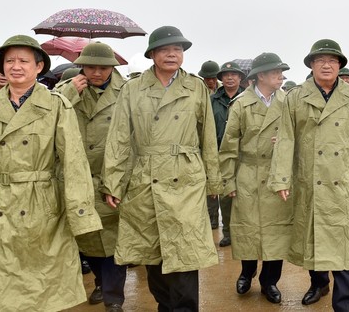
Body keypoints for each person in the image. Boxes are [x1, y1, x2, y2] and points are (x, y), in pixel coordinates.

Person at [0, 35, 102, 311]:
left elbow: (74, 164)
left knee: (37, 291)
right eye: (10, 61)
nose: (16, 67)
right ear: (1, 66)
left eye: (24, 61)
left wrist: (81, 215)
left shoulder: (56, 106)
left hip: (40, 206)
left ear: (39, 67)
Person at [102, 26, 221, 311]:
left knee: (185, 252)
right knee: (152, 252)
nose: (172, 54)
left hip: (186, 177)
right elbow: (119, 137)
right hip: (146, 176)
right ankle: (165, 306)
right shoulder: (133, 89)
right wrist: (113, 183)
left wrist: (213, 182)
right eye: (165, 49)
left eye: (177, 49)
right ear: (152, 54)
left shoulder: (195, 88)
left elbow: (207, 137)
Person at [269, 39, 349, 311]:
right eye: (320, 60)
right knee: (314, 236)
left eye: (332, 60)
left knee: (344, 241)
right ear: (312, 65)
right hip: (309, 177)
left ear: (339, 66)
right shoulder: (296, 96)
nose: (326, 65)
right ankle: (318, 284)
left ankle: (344, 303)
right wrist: (282, 178)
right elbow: (286, 139)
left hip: (342, 177)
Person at [55, 43, 127, 312]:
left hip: (113, 175)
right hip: (78, 177)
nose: (97, 72)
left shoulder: (126, 91)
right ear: (81, 66)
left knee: (114, 240)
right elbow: (50, 111)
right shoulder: (67, 90)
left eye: (103, 67)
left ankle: (114, 298)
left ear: (113, 67)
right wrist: (70, 91)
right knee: (86, 238)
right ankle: (100, 281)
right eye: (91, 66)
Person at [219, 52, 293, 304]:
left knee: (277, 232)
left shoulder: (288, 102)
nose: (281, 77)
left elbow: (298, 135)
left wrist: (284, 141)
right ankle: (247, 272)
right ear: (261, 76)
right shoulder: (241, 104)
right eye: (276, 72)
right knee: (247, 229)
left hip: (278, 175)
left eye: (281, 72)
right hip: (248, 173)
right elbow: (229, 146)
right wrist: (227, 180)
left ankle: (269, 281)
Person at [212, 61, 247, 247]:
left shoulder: (248, 97)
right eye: (226, 75)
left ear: (240, 78)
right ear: (221, 79)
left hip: (244, 153)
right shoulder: (213, 100)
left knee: (245, 194)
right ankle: (228, 232)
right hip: (221, 153)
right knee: (225, 195)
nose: (230, 78)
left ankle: (244, 232)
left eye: (234, 74)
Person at [198, 60, 221, 230]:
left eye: (213, 78)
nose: (210, 81)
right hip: (204, 141)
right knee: (209, 182)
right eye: (207, 78)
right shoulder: (199, 90)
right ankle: (212, 217)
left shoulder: (221, 92)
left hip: (220, 140)